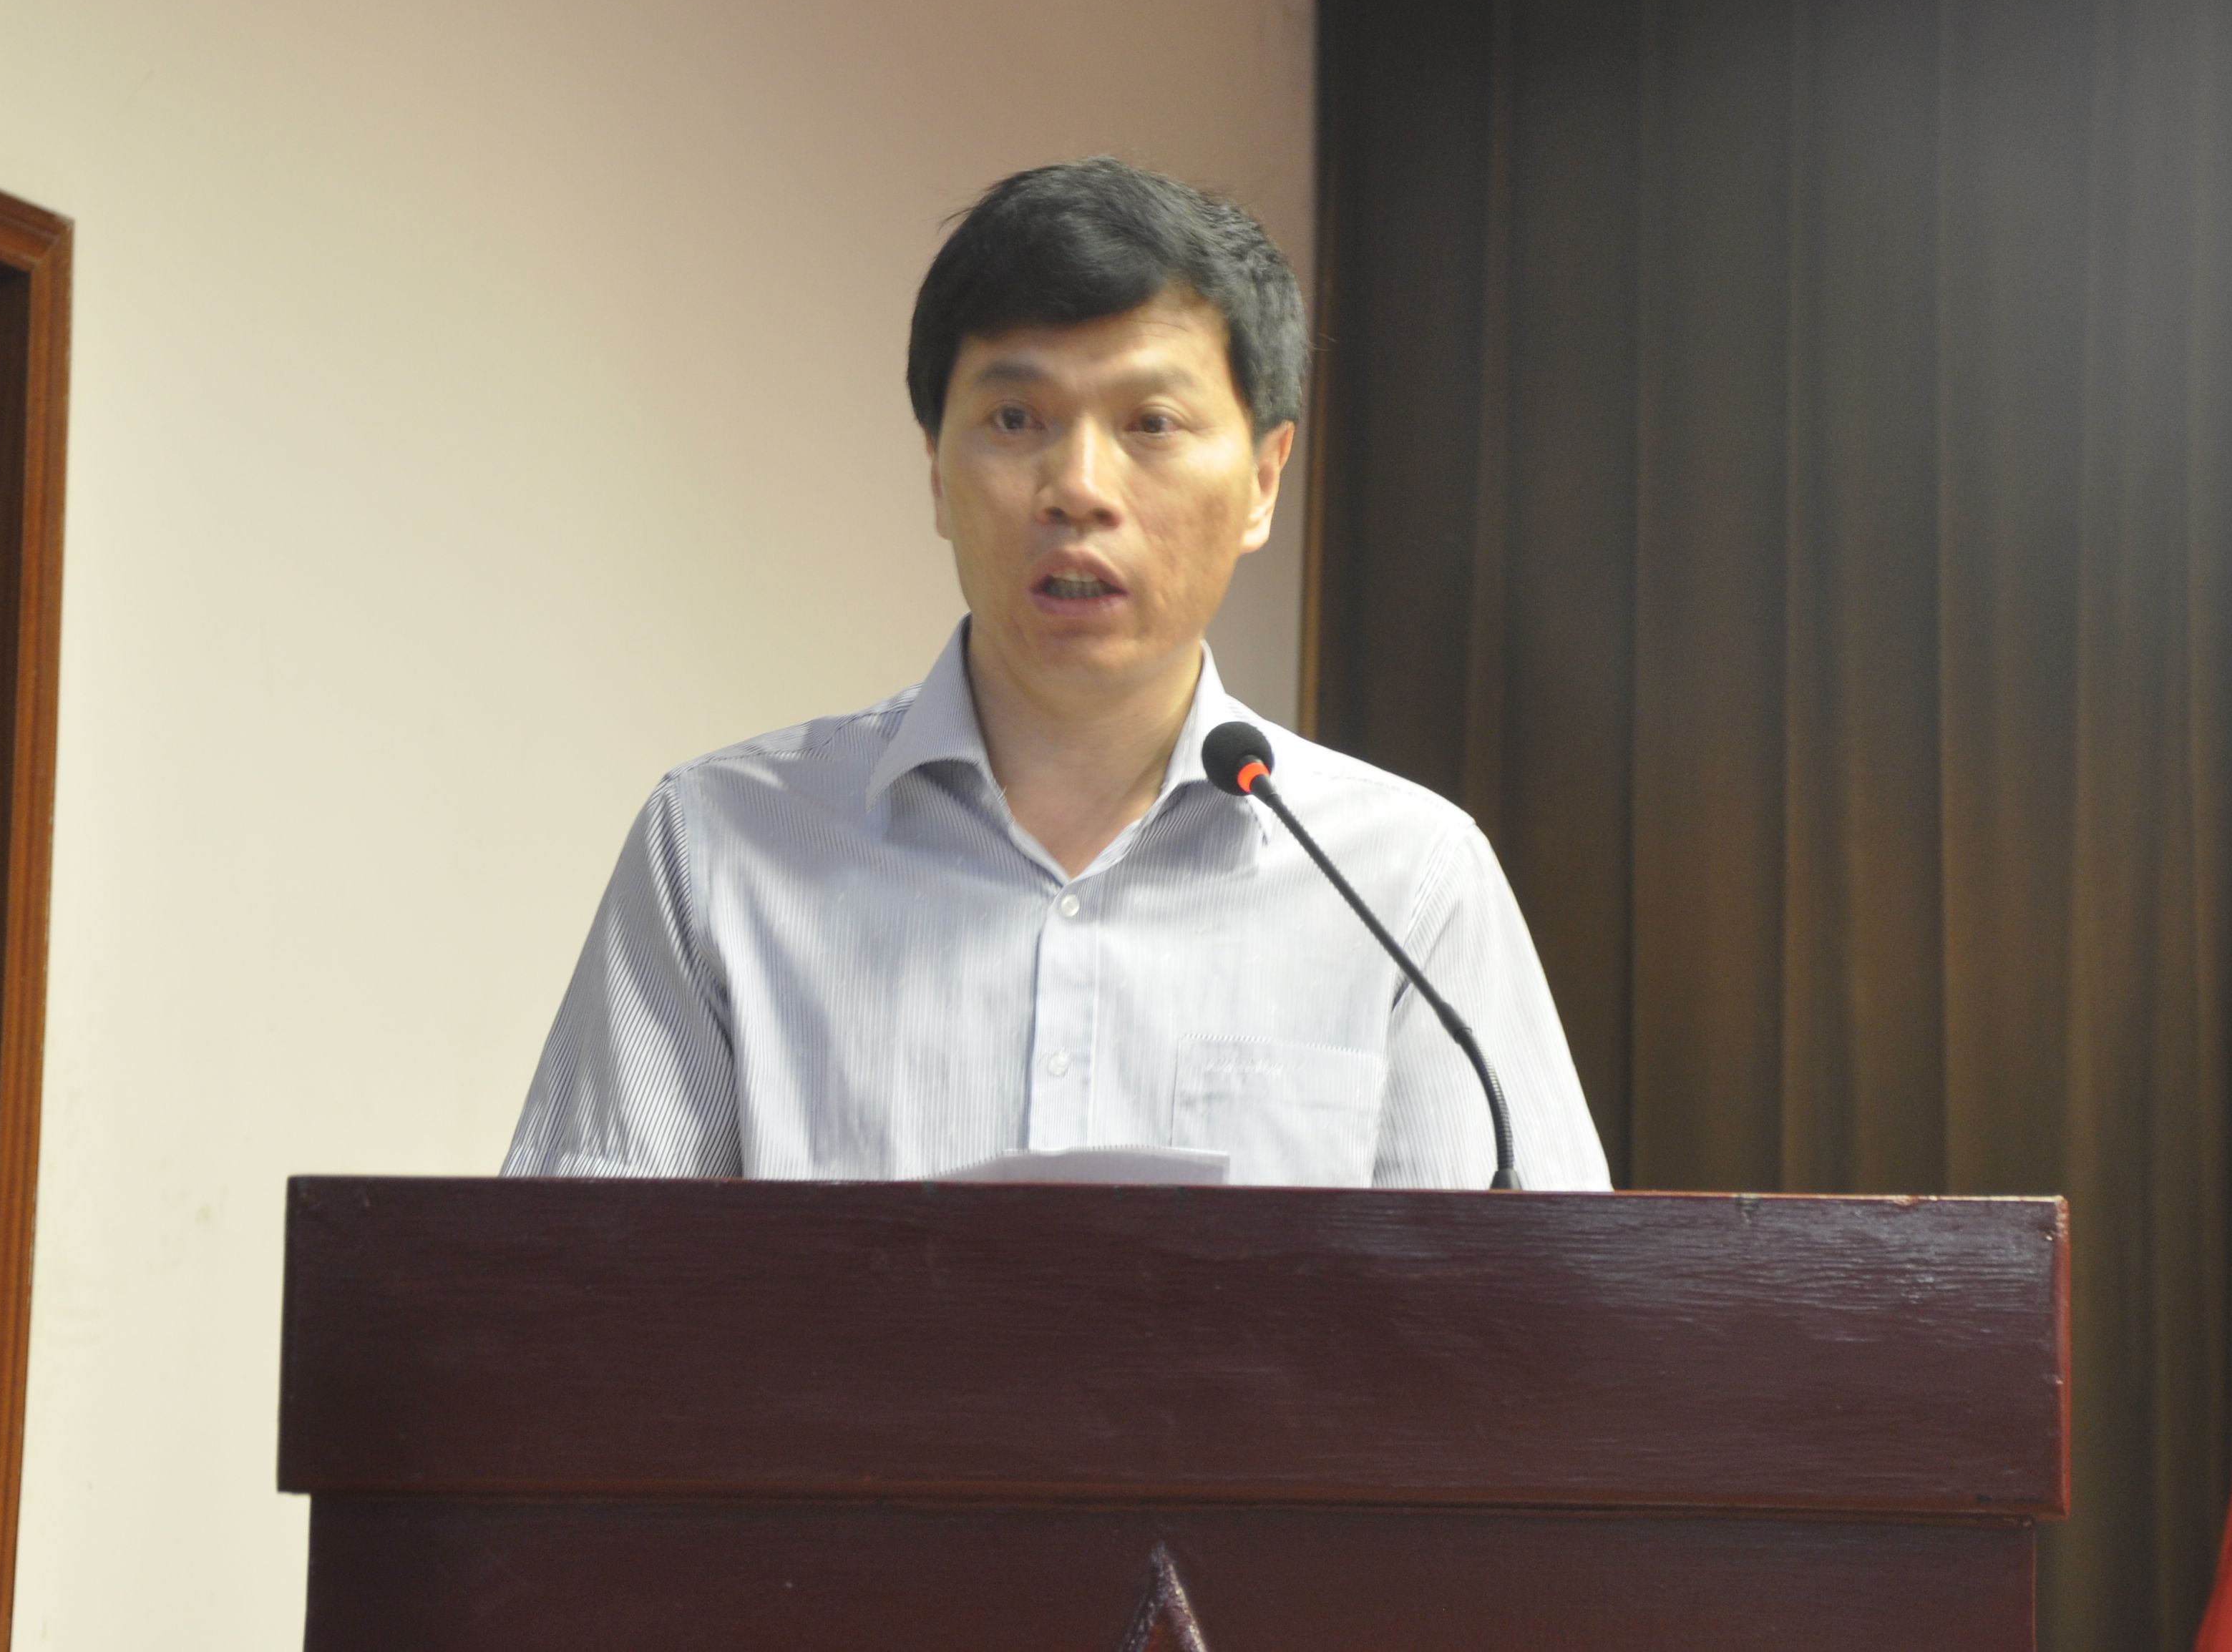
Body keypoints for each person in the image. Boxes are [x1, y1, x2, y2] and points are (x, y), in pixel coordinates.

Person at [502, 158, 1612, 1189]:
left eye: (1151, 423)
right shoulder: (720, 847)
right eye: (1014, 419)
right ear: (935, 470)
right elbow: (578, 1289)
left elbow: (1539, 1309)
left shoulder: (1406, 883)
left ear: (1264, 481)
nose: (1077, 487)